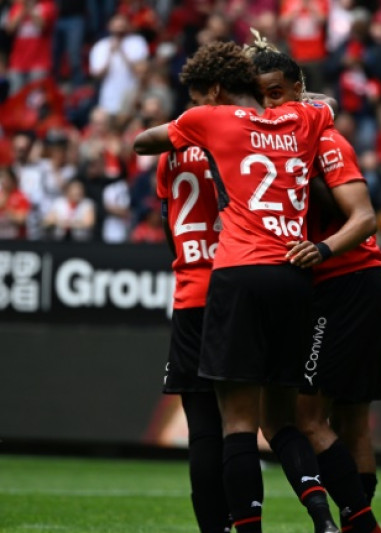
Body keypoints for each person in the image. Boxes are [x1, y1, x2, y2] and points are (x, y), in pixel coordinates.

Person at [132, 41, 339, 533]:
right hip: (267, 276)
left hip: (203, 288)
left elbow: (159, 189)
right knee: (275, 421)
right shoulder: (280, 130)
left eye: (199, 95)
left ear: (214, 91)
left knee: (210, 430)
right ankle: (326, 513)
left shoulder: (189, 141)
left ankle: (220, 529)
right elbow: (325, 108)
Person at [246, 35, 381, 533]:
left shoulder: (323, 138)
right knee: (351, 421)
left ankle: (361, 525)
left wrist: (324, 249)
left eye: (279, 92)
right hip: (352, 282)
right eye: (261, 95)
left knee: (307, 417)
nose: (270, 103)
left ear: (299, 87)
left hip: (346, 280)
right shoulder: (269, 138)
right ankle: (356, 521)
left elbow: (365, 218)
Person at [154, 146, 230, 533]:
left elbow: (168, 222)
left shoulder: (169, 150)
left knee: (201, 427)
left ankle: (212, 528)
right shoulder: (239, 131)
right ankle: (248, 519)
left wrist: (188, 260)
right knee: (242, 423)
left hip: (190, 291)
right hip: (236, 288)